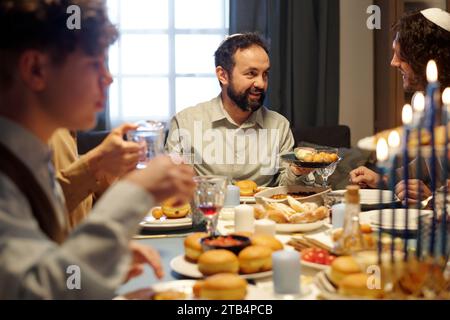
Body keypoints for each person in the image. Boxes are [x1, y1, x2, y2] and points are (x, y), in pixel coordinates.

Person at [0, 0, 195, 299]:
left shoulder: (34, 152)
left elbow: (42, 264)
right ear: (35, 69)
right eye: (94, 63)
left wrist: (99, 260)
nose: (108, 77)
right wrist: (135, 192)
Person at [166, 33, 311, 187]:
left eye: (265, 74)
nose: (261, 84)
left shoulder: (279, 126)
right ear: (223, 75)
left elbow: (286, 187)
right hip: (209, 209)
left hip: (261, 210)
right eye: (251, 74)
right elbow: (174, 186)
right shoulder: (185, 123)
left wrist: (298, 171)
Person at [350, 8, 450, 204]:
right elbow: (425, 163)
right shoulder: (422, 102)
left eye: (401, 55)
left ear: (425, 57)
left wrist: (434, 198)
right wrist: (383, 179)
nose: (393, 63)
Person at [49, 125, 141, 227]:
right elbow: (41, 208)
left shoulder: (64, 132)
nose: (101, 108)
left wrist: (105, 177)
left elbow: (80, 212)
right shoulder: (43, 135)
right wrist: (96, 165)